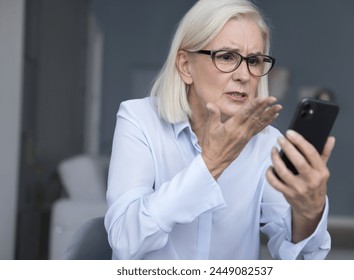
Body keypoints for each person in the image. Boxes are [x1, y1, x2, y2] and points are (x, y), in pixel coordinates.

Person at [104, 0, 336, 260]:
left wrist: (309, 213)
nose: (244, 75)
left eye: (255, 60)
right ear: (185, 66)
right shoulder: (139, 119)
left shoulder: (266, 143)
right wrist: (211, 163)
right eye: (227, 57)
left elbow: (303, 257)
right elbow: (125, 240)